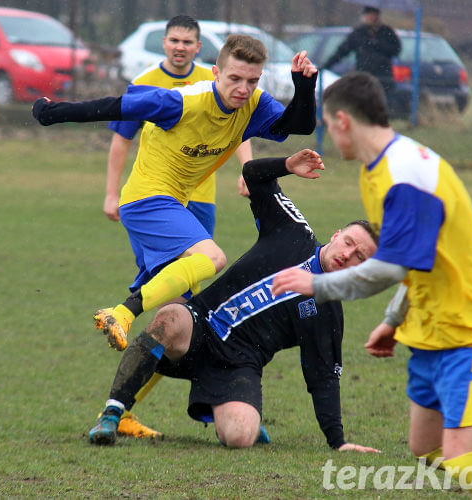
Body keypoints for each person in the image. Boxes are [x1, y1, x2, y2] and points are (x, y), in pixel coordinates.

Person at [271, 72, 472, 499]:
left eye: (327, 125)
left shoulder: (404, 174)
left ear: (343, 120)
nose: (328, 135)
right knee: (429, 447)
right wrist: (394, 319)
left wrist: (319, 284)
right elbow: (416, 260)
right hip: (433, 329)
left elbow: (388, 267)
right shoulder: (378, 170)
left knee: (461, 454)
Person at [33, 36, 318, 438]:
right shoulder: (183, 102)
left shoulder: (251, 104)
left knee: (177, 315)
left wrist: (305, 85)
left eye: (252, 81)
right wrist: (53, 112)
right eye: (235, 78)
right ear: (216, 72)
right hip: (147, 199)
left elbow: (298, 125)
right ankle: (124, 311)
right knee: (213, 257)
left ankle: (118, 413)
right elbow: (119, 106)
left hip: (174, 205)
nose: (243, 89)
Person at [88, 148, 380, 452]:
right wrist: (287, 165)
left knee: (240, 437)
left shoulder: (328, 312)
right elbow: (254, 174)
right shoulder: (292, 230)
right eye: (348, 243)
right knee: (171, 318)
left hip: (237, 365)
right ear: (335, 236)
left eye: (360, 257)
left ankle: (232, 412)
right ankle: (112, 414)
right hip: (199, 326)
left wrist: (339, 442)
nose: (348, 255)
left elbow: (323, 380)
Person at [104, 15, 253, 233]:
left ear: (198, 47)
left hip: (200, 194)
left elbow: (236, 127)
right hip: (156, 192)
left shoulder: (215, 80)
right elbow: (121, 140)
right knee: (163, 264)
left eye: (187, 42)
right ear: (164, 42)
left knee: (203, 263)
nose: (180, 47)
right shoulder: (143, 82)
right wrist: (111, 194)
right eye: (174, 40)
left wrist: (248, 170)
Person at [321, 5, 400, 107]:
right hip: (363, 75)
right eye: (369, 15)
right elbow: (342, 51)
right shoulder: (358, 33)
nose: (371, 17)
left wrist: (378, 44)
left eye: (373, 15)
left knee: (382, 105)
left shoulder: (386, 32)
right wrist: (326, 66)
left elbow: (396, 50)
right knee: (363, 105)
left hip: (383, 76)